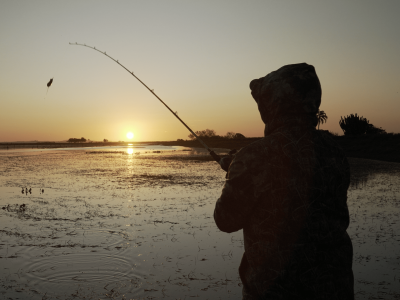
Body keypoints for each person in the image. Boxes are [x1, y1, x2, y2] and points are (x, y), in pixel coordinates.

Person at [214, 63, 354, 299]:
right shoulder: (334, 151)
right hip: (334, 288)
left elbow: (225, 220)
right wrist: (238, 166)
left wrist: (236, 169)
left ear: (271, 106)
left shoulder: (254, 157)